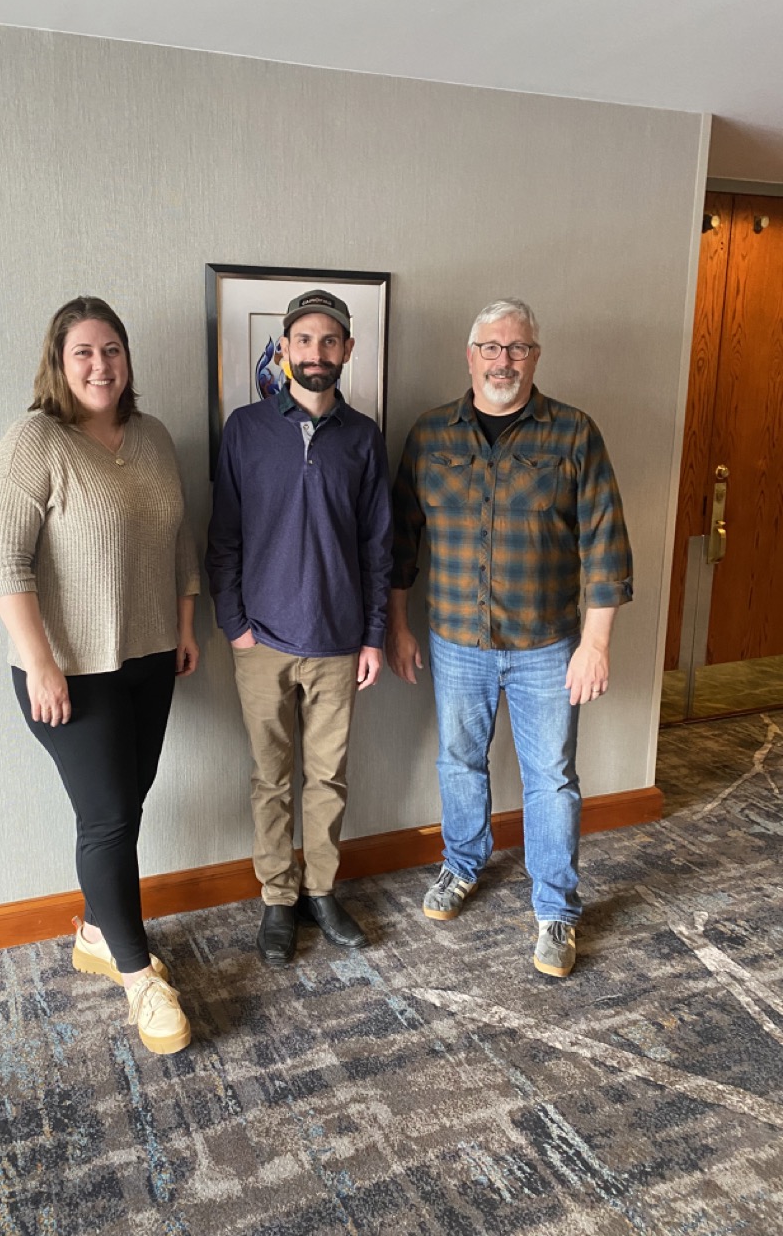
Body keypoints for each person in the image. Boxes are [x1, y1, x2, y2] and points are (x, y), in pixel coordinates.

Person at [387, 298, 632, 978]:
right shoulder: (431, 435)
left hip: (548, 645)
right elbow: (401, 542)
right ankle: (462, 866)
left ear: (535, 356)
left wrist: (597, 643)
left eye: (516, 347)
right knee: (459, 762)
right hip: (457, 640)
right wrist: (398, 623)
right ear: (470, 358)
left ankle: (557, 911)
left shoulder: (574, 434)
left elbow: (607, 546)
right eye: (491, 348)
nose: (503, 360)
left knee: (551, 779)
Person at [0, 296, 199, 1053]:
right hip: (70, 671)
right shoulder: (34, 440)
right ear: (59, 361)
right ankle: (141, 979)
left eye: (112, 350)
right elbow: (4, 563)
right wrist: (40, 662)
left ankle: (99, 931)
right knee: (107, 817)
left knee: (126, 803)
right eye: (84, 352)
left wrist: (184, 623)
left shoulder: (154, 436)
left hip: (148, 658)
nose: (100, 365)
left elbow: (178, 540)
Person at [206, 290, 392, 966]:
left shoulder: (364, 437)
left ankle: (321, 889)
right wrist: (234, 626)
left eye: (329, 341)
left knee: (329, 778)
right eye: (303, 341)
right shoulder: (246, 429)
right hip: (261, 641)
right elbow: (223, 534)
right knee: (269, 778)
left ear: (347, 350)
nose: (316, 353)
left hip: (340, 642)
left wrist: (373, 634)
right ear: (285, 349)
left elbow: (378, 545)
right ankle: (278, 899)